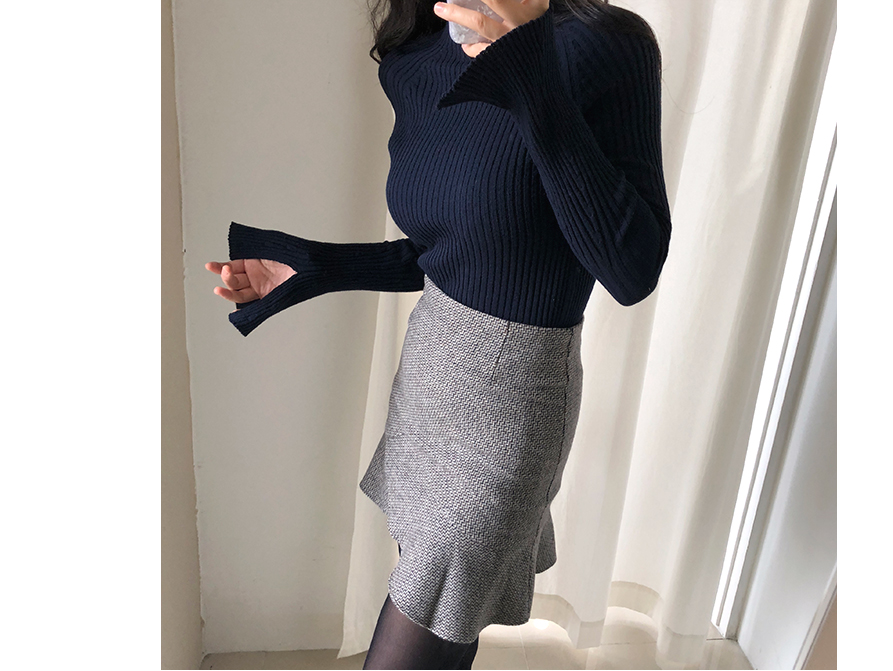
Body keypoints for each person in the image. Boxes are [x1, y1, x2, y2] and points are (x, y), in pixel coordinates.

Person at [206, 0, 671, 668]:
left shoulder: (604, 45)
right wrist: (313, 266)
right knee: (440, 627)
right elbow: (452, 248)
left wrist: (531, 73)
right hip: (430, 371)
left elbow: (631, 270)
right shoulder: (415, 58)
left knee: (423, 629)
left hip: (510, 405)